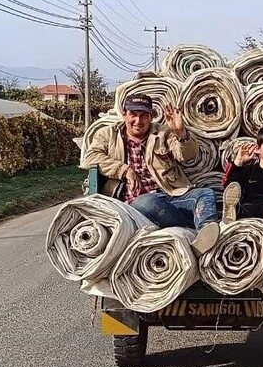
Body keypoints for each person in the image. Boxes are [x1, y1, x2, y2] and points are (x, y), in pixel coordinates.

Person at [83, 93, 222, 253]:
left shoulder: (163, 133)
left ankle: (205, 238)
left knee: (205, 194)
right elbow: (90, 157)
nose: (138, 121)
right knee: (147, 202)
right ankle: (191, 228)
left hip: (171, 195)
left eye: (144, 115)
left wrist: (181, 133)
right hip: (137, 203)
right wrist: (124, 170)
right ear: (124, 114)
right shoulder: (108, 134)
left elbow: (187, 155)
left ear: (151, 116)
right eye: (133, 114)